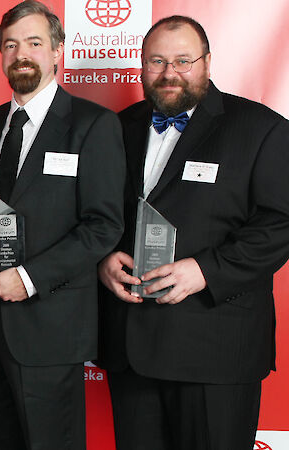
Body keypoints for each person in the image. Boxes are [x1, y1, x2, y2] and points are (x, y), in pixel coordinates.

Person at [97, 15, 289, 450]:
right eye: (157, 62)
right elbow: (99, 214)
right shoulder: (118, 127)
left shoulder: (261, 128)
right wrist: (103, 259)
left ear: (207, 62)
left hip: (215, 349)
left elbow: (281, 223)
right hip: (132, 347)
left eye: (183, 61)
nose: (169, 74)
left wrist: (206, 270)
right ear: (142, 66)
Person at [0, 1, 126, 449]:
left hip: (51, 328)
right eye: (11, 45)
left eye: (34, 43)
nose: (22, 54)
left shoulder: (93, 125)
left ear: (57, 51)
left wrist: (29, 279)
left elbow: (103, 226)